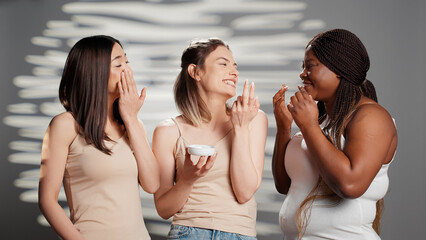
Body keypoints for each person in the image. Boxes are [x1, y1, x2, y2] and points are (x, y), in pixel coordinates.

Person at [272, 29, 398, 240]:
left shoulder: (371, 117)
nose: (303, 74)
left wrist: (309, 126)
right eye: (302, 67)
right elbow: (285, 185)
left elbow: (349, 185)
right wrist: (284, 128)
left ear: (339, 69)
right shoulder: (319, 120)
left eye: (310, 66)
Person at [38, 35, 160, 240]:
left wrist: (131, 119)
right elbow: (47, 200)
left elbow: (152, 184)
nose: (127, 71)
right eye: (119, 64)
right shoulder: (64, 125)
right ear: (95, 72)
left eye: (127, 62)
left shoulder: (133, 125)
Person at [152, 38, 268, 239]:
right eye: (223, 64)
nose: (234, 72)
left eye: (235, 66)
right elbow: (163, 209)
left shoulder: (254, 118)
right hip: (187, 233)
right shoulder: (168, 131)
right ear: (195, 72)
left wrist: (240, 128)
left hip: (239, 233)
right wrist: (187, 180)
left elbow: (244, 192)